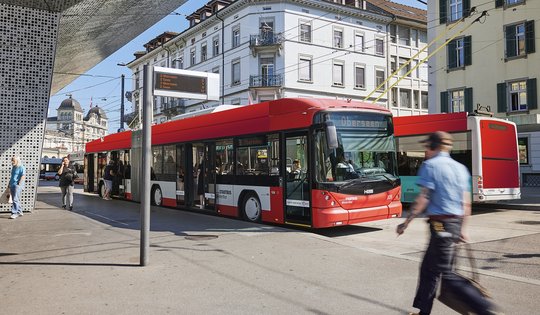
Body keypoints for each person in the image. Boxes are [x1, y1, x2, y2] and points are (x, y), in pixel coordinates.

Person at [396, 131, 495, 315]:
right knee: (428, 269)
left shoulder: (430, 166)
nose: (425, 150)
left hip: (441, 226)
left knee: (446, 274)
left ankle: (485, 310)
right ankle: (423, 311)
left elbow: (423, 198)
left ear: (432, 146)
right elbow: (466, 203)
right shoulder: (460, 168)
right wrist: (463, 230)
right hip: (453, 224)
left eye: (427, 146)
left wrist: (406, 222)